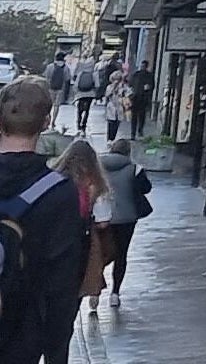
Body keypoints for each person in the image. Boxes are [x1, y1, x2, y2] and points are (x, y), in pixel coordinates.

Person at [0, 80, 83, 364]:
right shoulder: (59, 192)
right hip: (22, 333)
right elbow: (62, 282)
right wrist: (57, 351)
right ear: (46, 121)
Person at [52, 141, 104, 344]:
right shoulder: (94, 185)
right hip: (80, 255)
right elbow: (103, 221)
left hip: (52, 251)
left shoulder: (52, 180)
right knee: (66, 319)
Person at [91, 142, 144, 313]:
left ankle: (95, 292)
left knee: (101, 254)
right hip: (127, 218)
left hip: (102, 216)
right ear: (128, 152)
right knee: (121, 254)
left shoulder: (98, 167)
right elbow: (146, 187)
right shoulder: (134, 168)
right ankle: (115, 294)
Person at [119, 64, 151, 139]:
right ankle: (138, 131)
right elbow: (151, 87)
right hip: (141, 98)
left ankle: (134, 132)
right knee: (140, 116)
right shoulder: (147, 75)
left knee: (136, 116)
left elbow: (130, 84)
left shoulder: (136, 74)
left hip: (137, 98)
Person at [67, 62, 96, 140]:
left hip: (80, 94)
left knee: (79, 111)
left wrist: (75, 93)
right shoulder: (93, 74)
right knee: (87, 111)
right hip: (90, 94)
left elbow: (76, 85)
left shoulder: (80, 74)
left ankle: (78, 126)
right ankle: (84, 126)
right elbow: (97, 85)